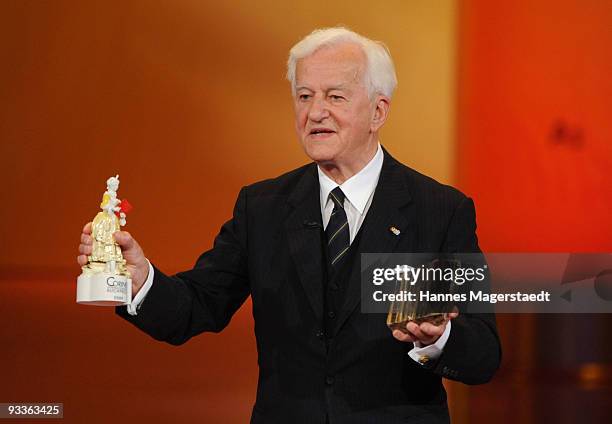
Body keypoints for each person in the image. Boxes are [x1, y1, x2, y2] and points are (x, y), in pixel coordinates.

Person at [77, 27, 501, 423]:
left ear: (377, 111)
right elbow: (196, 306)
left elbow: (484, 353)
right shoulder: (262, 207)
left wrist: (437, 338)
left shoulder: (440, 210)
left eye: (335, 96)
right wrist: (140, 283)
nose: (315, 111)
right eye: (303, 96)